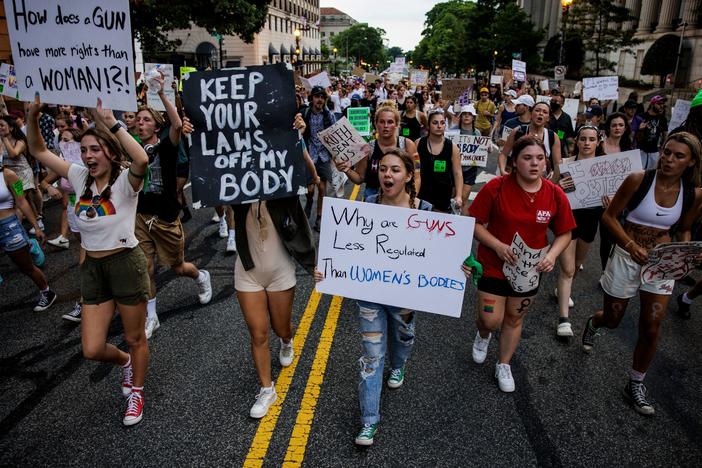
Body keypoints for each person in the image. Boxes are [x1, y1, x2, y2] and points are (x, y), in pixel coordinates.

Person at [27, 95, 151, 426]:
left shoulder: (125, 183)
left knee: (136, 336)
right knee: (92, 348)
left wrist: (111, 122)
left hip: (126, 263)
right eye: (84, 151)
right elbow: (39, 152)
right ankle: (125, 362)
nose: (87, 156)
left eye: (94, 150)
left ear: (110, 152)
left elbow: (141, 160)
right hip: (93, 269)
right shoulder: (80, 178)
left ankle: (136, 391)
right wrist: (32, 117)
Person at [315, 148, 432, 446]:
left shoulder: (425, 212)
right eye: (383, 170)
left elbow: (439, 256)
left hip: (406, 295)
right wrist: (328, 270)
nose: (387, 175)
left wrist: (458, 268)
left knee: (404, 335)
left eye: (395, 170)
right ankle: (369, 421)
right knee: (371, 355)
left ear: (407, 176)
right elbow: (344, 248)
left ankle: (399, 363)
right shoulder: (365, 206)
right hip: (369, 295)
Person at [582, 132, 702, 416]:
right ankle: (594, 323)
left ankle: (635, 383)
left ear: (692, 162)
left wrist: (684, 253)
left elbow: (684, 228)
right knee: (613, 318)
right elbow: (609, 217)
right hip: (626, 256)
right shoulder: (638, 179)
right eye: (666, 152)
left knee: (651, 326)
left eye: (678, 156)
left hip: (661, 264)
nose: (669, 159)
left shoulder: (694, 194)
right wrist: (630, 244)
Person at [469, 136, 575, 392]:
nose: (534, 163)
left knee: (515, 318)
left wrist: (551, 255)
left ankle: (503, 364)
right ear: (515, 162)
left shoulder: (554, 193)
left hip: (528, 270)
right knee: (490, 320)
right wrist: (497, 245)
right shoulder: (496, 187)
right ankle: (483, 335)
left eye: (540, 158)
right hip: (493, 264)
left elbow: (565, 233)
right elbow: (473, 223)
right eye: (527, 158)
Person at [233, 113, 316, 420]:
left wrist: (298, 138)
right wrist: (191, 135)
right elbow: (210, 171)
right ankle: (267, 389)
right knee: (257, 333)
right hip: (248, 269)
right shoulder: (235, 182)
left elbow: (309, 179)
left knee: (281, 327)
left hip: (280, 268)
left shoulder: (284, 180)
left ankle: (286, 339)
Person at [135, 73, 212, 339]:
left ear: (156, 127)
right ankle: (152, 317)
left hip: (165, 218)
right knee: (146, 268)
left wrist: (165, 94)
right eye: (138, 119)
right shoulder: (133, 149)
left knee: (178, 267)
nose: (140, 123)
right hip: (140, 218)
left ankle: (201, 276)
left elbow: (177, 125)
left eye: (146, 120)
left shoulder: (167, 146)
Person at [555, 125, 606, 337]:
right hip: (568, 221)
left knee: (575, 265)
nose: (586, 143)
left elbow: (614, 199)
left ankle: (562, 290)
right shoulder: (566, 164)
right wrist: (559, 184)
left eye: (591, 139)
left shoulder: (604, 166)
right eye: (583, 139)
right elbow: (550, 189)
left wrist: (610, 203)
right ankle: (563, 320)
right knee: (567, 269)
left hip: (590, 221)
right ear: (576, 141)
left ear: (597, 142)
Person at [0, 159, 55, 311]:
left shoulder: (9, 175)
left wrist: (36, 227)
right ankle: (28, 244)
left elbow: (22, 201)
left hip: (8, 226)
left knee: (25, 267)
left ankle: (47, 292)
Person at [339, 102, 419, 199]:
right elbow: (360, 178)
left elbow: (417, 175)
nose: (385, 126)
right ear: (376, 124)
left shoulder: (408, 145)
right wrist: (347, 169)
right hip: (373, 199)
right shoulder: (367, 148)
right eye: (381, 122)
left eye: (390, 122)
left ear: (397, 124)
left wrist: (412, 198)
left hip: (399, 198)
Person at [596, 112, 634, 268]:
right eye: (614, 125)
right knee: (604, 239)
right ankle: (605, 270)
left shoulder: (628, 148)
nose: (617, 128)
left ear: (625, 128)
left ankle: (612, 269)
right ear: (608, 128)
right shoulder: (600, 146)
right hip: (598, 199)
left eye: (621, 125)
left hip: (618, 201)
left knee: (616, 237)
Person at [302, 85, 337, 230]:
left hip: (323, 155)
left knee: (322, 189)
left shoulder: (329, 115)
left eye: (323, 97)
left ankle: (319, 217)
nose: (320, 100)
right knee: (309, 190)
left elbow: (336, 133)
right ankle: (309, 202)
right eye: (317, 97)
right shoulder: (305, 113)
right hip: (310, 155)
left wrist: (338, 156)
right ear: (312, 98)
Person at [415, 108, 463, 213]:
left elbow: (457, 173)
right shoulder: (418, 144)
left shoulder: (452, 147)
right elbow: (414, 168)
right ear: (428, 125)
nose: (439, 126)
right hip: (422, 194)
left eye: (442, 123)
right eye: (435, 123)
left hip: (443, 196)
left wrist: (458, 195)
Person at [499, 102, 562, 180]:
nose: (541, 113)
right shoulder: (518, 131)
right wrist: (502, 171)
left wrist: (552, 182)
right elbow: (504, 154)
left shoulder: (553, 137)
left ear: (548, 118)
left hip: (540, 184)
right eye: (537, 110)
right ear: (531, 114)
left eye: (545, 112)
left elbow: (557, 164)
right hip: (517, 181)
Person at [446, 104, 481, 214]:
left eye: (469, 115)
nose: (466, 117)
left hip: (470, 169)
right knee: (451, 197)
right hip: (453, 169)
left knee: (463, 199)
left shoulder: (477, 133)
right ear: (460, 117)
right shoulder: (453, 131)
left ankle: (458, 222)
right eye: (464, 114)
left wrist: (486, 149)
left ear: (473, 117)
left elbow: (481, 151)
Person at [637, 95, 668, 170]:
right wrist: (640, 129)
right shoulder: (641, 116)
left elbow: (665, 135)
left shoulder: (662, 119)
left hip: (654, 152)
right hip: (641, 151)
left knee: (652, 174)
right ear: (652, 104)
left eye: (663, 104)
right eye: (659, 104)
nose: (661, 106)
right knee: (639, 173)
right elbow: (634, 135)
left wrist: (662, 149)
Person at [549, 92, 575, 158]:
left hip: (561, 150)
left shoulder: (567, 117)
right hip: (547, 148)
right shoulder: (547, 115)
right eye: (552, 100)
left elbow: (569, 136)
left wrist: (570, 151)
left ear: (562, 104)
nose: (553, 102)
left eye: (556, 101)